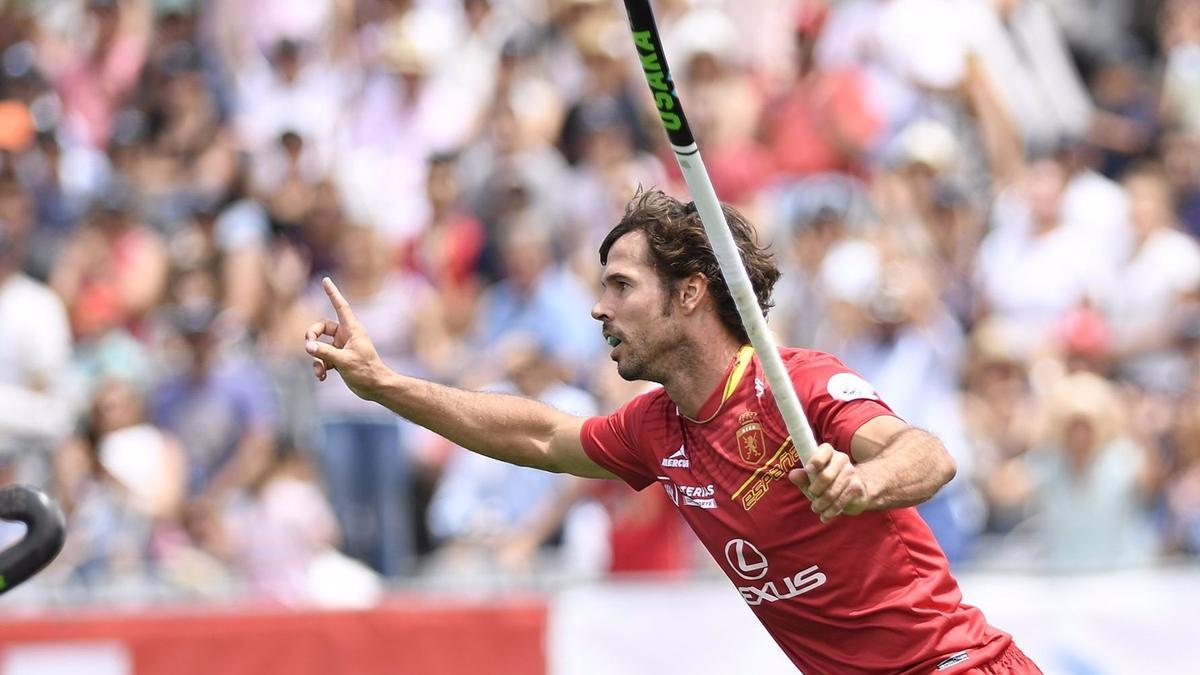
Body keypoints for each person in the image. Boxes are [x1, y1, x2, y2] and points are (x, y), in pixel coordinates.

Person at [305, 189, 1041, 674]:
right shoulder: (657, 428)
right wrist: (387, 384)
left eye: (621, 285)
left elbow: (928, 453)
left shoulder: (796, 383)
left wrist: (861, 481)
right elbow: (538, 436)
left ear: (689, 294)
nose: (599, 309)